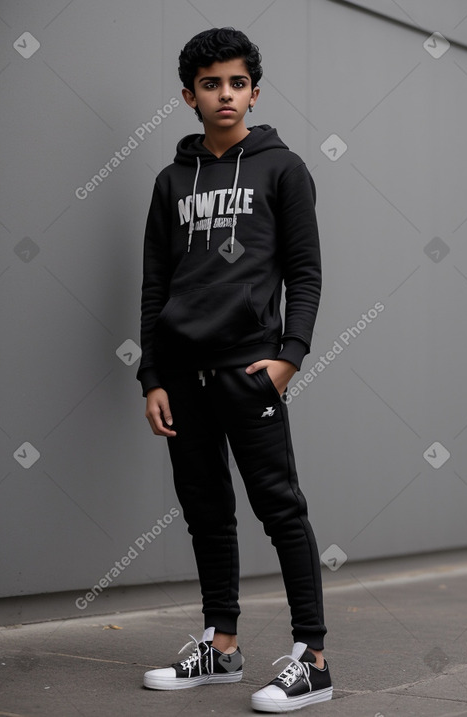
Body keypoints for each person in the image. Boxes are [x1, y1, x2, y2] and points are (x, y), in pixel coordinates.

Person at [137, 26, 332, 712]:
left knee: (280, 507)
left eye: (238, 82)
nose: (226, 95)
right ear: (188, 95)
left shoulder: (284, 169)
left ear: (254, 89)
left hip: (249, 372)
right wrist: (151, 376)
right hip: (182, 378)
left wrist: (288, 359)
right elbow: (154, 285)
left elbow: (305, 275)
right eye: (211, 84)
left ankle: (313, 658)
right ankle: (221, 647)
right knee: (206, 512)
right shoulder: (171, 182)